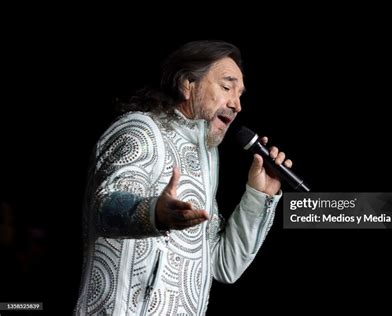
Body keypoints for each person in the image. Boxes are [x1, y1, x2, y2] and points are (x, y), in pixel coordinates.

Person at [74, 40, 293, 315]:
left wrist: (258, 196)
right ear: (188, 83)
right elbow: (103, 207)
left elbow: (224, 266)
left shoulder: (207, 159)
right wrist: (153, 212)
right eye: (227, 88)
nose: (236, 104)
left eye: (240, 95)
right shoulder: (142, 129)